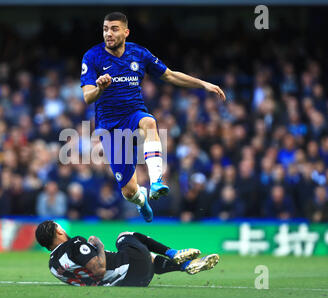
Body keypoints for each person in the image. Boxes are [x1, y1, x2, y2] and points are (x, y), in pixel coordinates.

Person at [80, 12, 226, 222]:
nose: (108, 34)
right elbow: (87, 97)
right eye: (105, 29)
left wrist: (203, 84)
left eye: (114, 29)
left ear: (126, 32)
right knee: (129, 192)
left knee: (149, 121)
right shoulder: (92, 57)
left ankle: (156, 180)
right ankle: (142, 201)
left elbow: (170, 75)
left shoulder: (139, 54)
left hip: (133, 114)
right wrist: (100, 88)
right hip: (110, 126)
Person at [35, 220, 220, 287]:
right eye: (59, 226)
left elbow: (88, 277)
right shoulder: (74, 243)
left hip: (131, 283)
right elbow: (99, 269)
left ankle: (185, 265)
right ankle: (172, 252)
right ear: (59, 231)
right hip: (128, 269)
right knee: (124, 237)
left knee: (149, 257)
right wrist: (98, 244)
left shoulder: (52, 267)